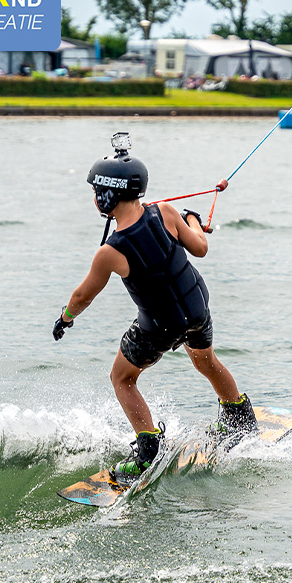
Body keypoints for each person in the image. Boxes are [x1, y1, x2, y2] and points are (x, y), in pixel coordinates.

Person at [53, 134, 256, 483]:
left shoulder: (109, 252)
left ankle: (148, 451)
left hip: (159, 327)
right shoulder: (165, 212)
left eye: (95, 191)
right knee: (205, 361)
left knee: (122, 378)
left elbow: (83, 296)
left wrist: (65, 318)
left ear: (108, 195)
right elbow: (201, 247)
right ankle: (239, 417)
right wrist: (192, 220)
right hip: (196, 310)